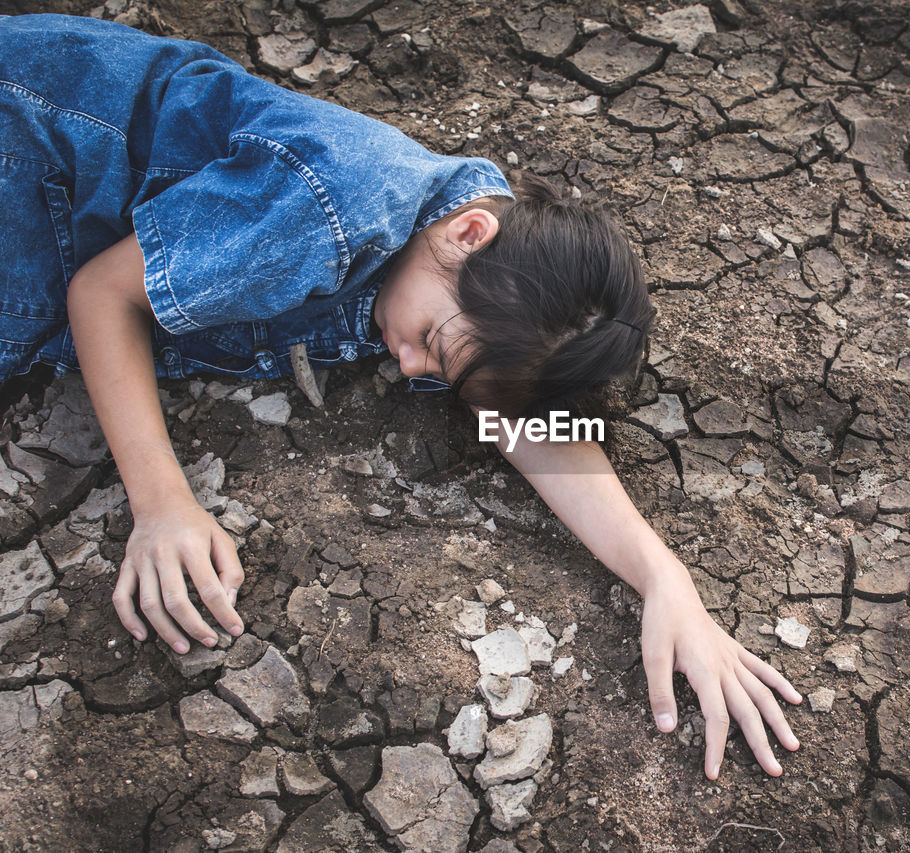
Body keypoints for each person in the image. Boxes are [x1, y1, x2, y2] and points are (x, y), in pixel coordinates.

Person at [0, 13, 802, 779]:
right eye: (435, 344)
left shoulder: (478, 254)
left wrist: (667, 582)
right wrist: (164, 505)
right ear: (468, 237)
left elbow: (525, 424)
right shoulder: (329, 211)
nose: (410, 359)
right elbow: (104, 294)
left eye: (439, 368)